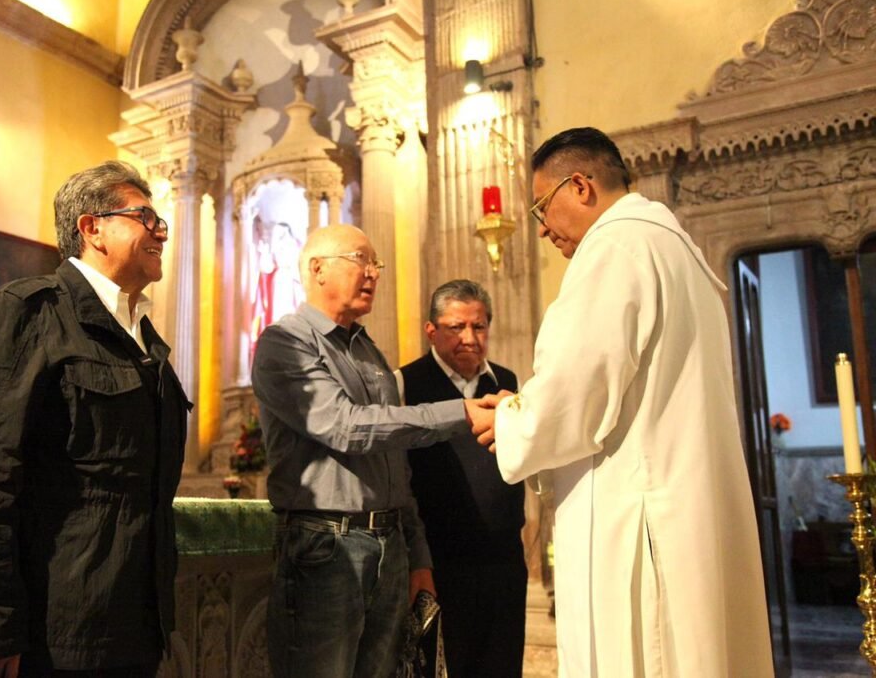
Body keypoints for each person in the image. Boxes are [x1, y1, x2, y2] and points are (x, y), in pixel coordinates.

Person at [473, 127, 773, 677]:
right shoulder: (675, 247)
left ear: (581, 186)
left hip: (639, 512)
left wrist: (510, 418)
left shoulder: (613, 248)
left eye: (543, 206)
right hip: (681, 504)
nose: (541, 229)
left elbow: (577, 395)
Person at [0, 161, 191, 677]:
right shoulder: (25, 314)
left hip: (135, 624)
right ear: (91, 227)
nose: (160, 231)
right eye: (144, 217)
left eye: (160, 221)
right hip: (56, 631)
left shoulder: (144, 337)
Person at [251, 224, 486, 678]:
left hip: (390, 544)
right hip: (326, 547)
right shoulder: (286, 342)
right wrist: (462, 412)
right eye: (362, 260)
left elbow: (395, 464)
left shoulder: (368, 352)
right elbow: (344, 426)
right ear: (317, 268)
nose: (374, 273)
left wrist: (417, 555)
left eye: (376, 264)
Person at [395, 279, 526, 678]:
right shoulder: (405, 383)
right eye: (456, 327)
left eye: (479, 326)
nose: (469, 337)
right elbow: (399, 475)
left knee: (501, 666)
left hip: (503, 561)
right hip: (439, 564)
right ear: (431, 330)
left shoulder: (507, 382)